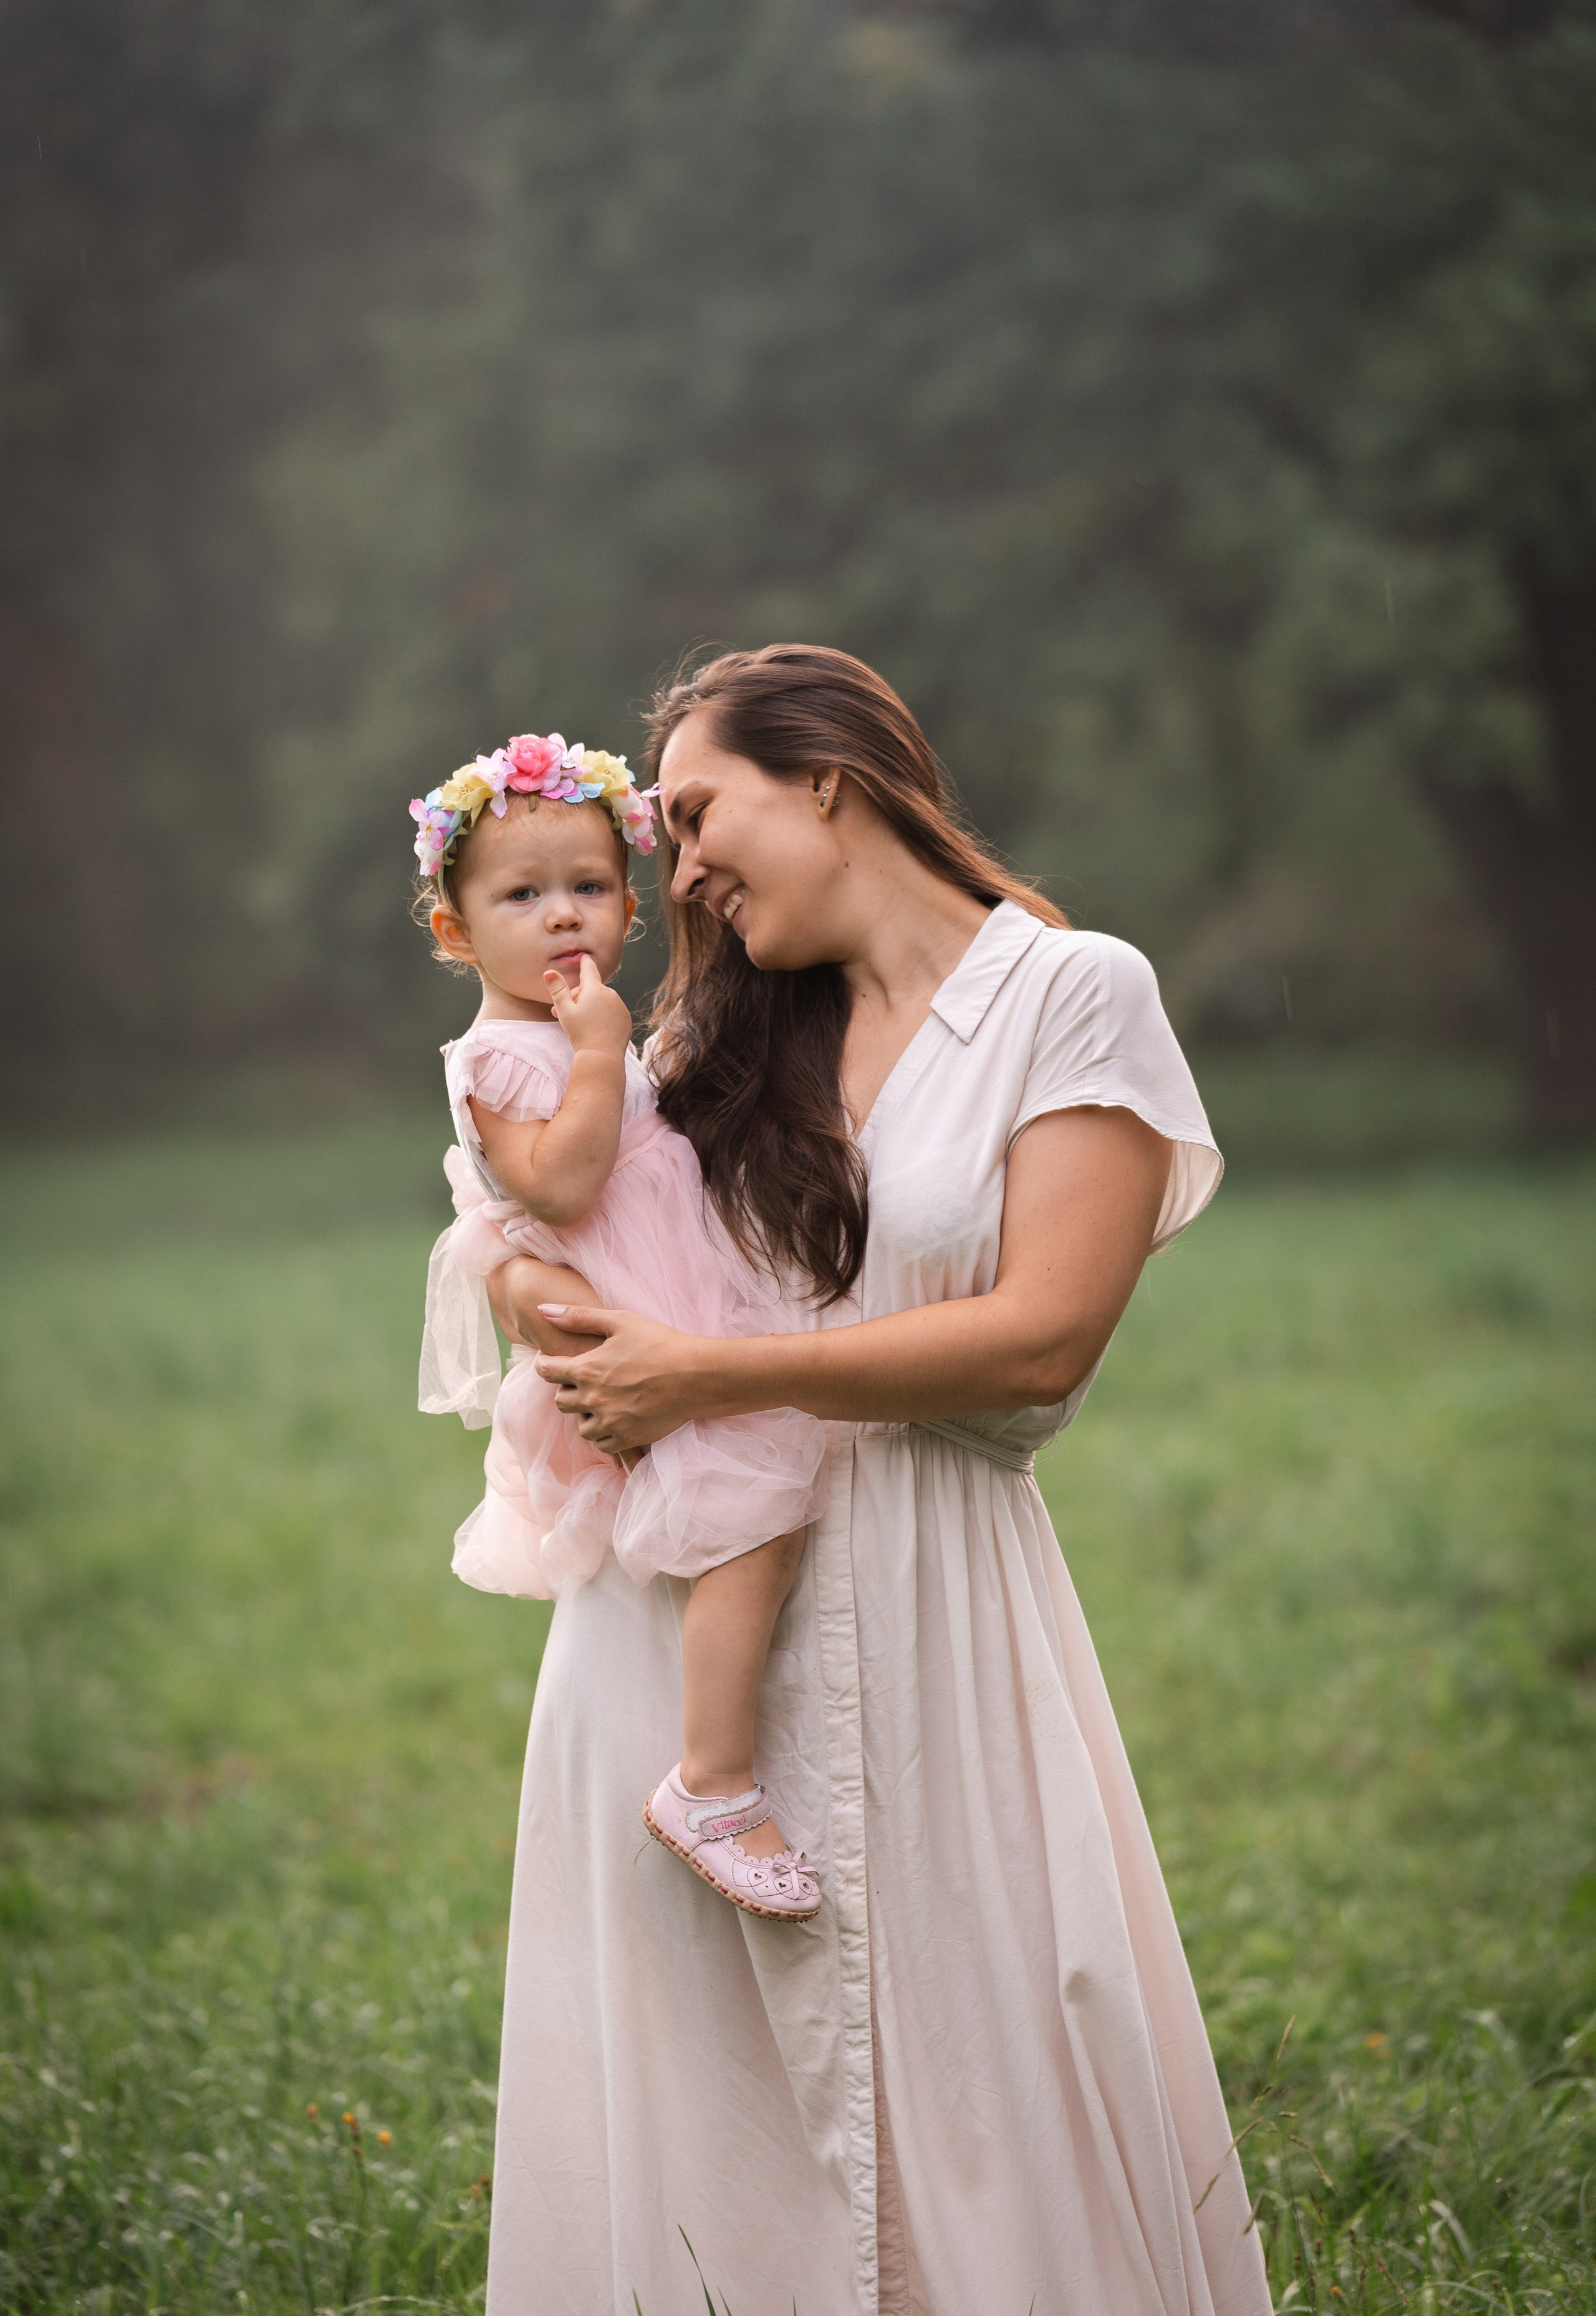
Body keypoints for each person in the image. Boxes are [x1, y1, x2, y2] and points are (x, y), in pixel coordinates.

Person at [483, 648, 1274, 2316]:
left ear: (827, 779)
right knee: (709, 2119)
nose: (677, 869)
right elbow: (533, 1219)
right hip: (672, 1628)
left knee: (989, 2070)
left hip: (938, 1604)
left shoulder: (1067, 995)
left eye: (699, 813)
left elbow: (1041, 1338)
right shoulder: (709, 1038)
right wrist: (534, 1298)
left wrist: (712, 1373)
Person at [411, 730, 828, 1921]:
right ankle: (713, 1783)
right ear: (455, 931)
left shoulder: (570, 1034)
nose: (563, 915)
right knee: (750, 1514)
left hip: (677, 1298)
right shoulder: (499, 1058)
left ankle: (726, 1760)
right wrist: (603, 1054)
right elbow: (561, 1186)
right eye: (521, 896)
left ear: (630, 910)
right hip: (632, 1321)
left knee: (756, 1517)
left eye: (589, 887)